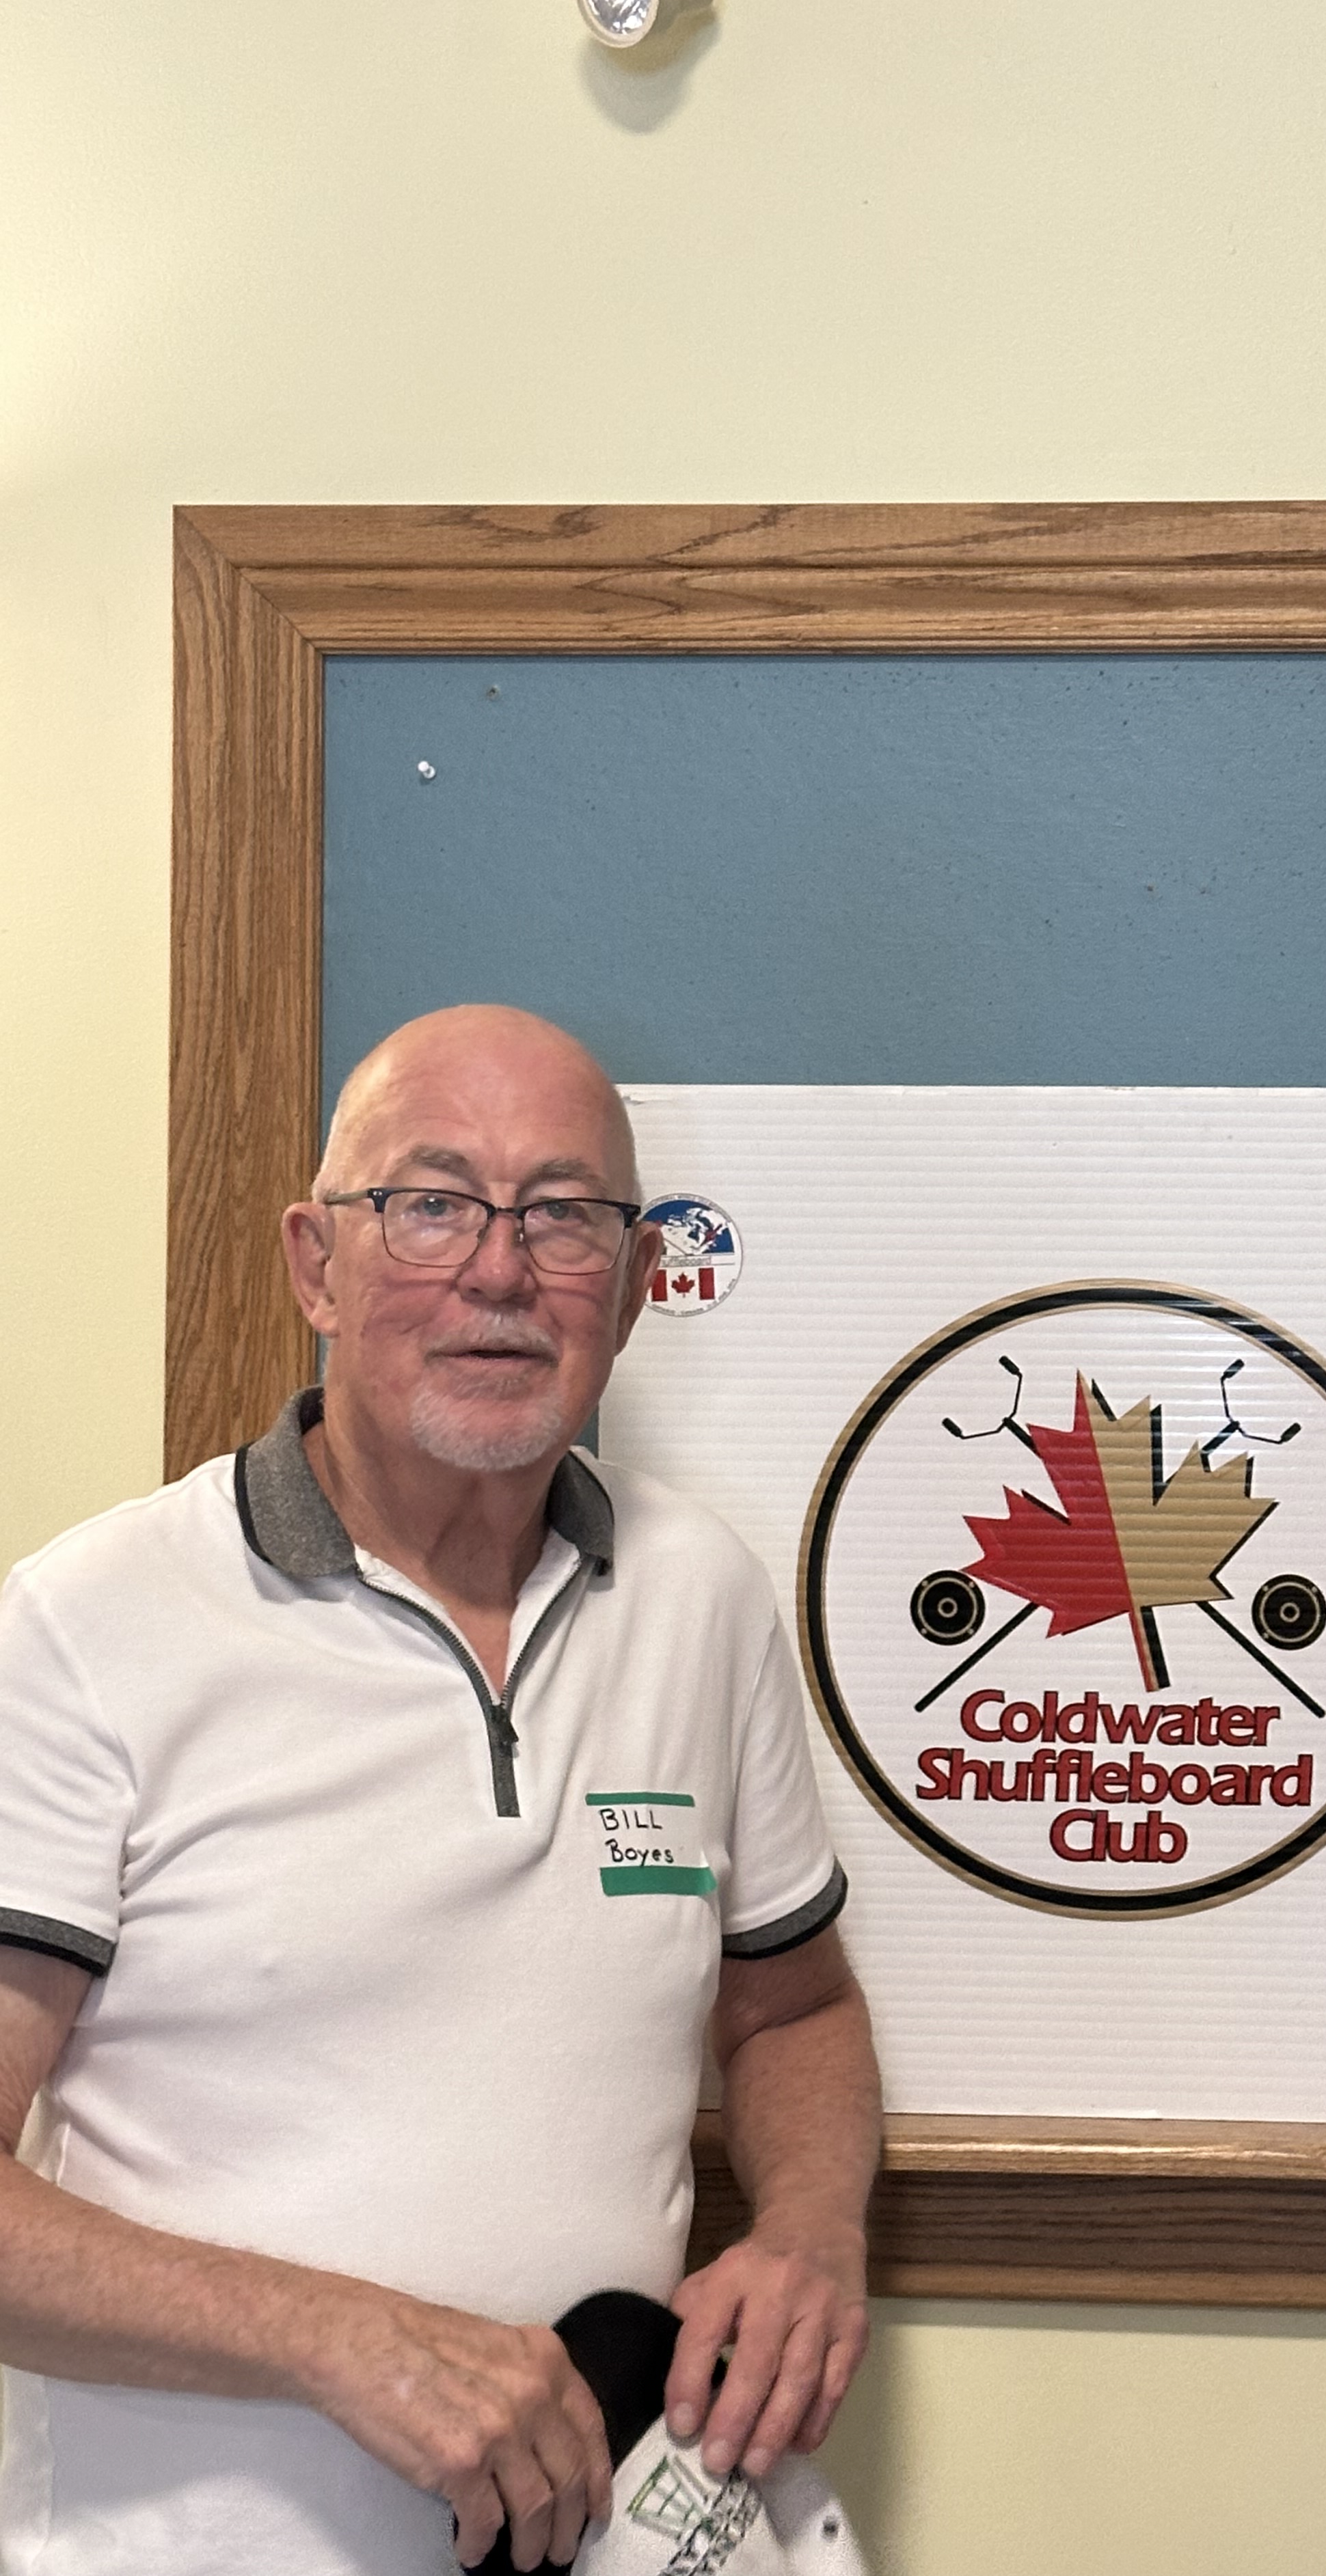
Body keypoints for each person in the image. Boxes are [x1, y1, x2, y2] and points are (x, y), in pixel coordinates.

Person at [0, 1005, 881, 2576]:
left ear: (636, 1282)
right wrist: (337, 2338)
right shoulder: (90, 1625)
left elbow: (792, 2010)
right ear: (315, 1265)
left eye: (563, 1215)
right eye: (431, 1204)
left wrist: (810, 2232)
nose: (499, 1270)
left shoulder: (703, 1598)